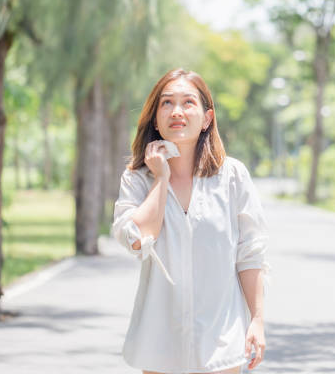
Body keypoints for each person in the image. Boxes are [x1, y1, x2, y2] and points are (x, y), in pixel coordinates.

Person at [111, 68, 271, 374]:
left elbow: (250, 254)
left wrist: (257, 321)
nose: (177, 112)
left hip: (221, 338)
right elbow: (136, 238)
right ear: (155, 119)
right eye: (167, 103)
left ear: (207, 118)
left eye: (188, 103)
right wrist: (161, 178)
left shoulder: (232, 177)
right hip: (160, 340)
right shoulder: (137, 179)